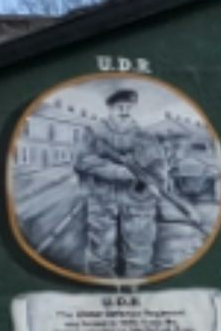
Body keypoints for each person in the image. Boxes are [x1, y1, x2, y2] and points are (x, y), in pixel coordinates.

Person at [72, 87, 170, 280]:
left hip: (138, 200)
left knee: (140, 251)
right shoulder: (94, 132)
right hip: (102, 197)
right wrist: (118, 172)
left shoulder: (145, 136)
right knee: (100, 251)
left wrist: (157, 184)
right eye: (120, 107)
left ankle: (138, 291)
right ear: (110, 108)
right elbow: (83, 160)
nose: (124, 111)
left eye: (128, 107)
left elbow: (159, 165)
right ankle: (99, 292)